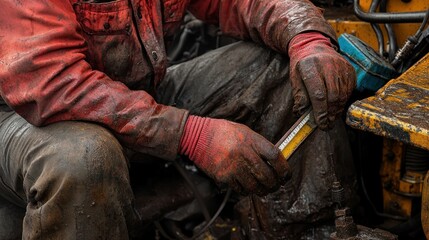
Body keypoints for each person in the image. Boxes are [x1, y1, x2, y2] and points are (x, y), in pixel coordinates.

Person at [0, 0, 356, 239]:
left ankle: (300, 228)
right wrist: (194, 136)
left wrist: (307, 39)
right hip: (25, 119)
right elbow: (50, 81)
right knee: (83, 157)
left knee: (275, 68)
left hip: (132, 93)